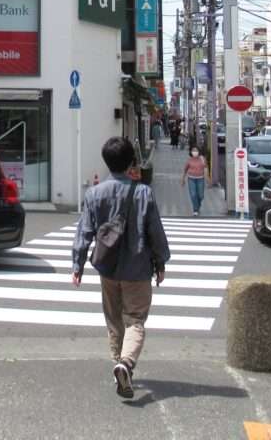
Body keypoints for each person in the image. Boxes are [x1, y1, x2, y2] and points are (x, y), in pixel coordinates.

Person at [71, 137, 170, 400]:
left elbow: (85, 231)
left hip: (108, 268)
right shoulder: (143, 192)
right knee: (135, 319)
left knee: (114, 321)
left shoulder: (94, 194)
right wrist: (161, 261)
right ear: (130, 163)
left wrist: (77, 263)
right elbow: (155, 232)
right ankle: (125, 364)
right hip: (138, 268)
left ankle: (118, 364)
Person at [182, 146, 208, 216]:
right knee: (193, 195)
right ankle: (195, 209)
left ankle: (198, 205)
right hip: (191, 179)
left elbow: (205, 168)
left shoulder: (202, 159)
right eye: (193, 150)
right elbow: (185, 170)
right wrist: (183, 179)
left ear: (199, 152)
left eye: (196, 150)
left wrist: (207, 178)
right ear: (191, 152)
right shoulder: (189, 160)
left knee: (201, 195)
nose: (195, 152)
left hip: (200, 179)